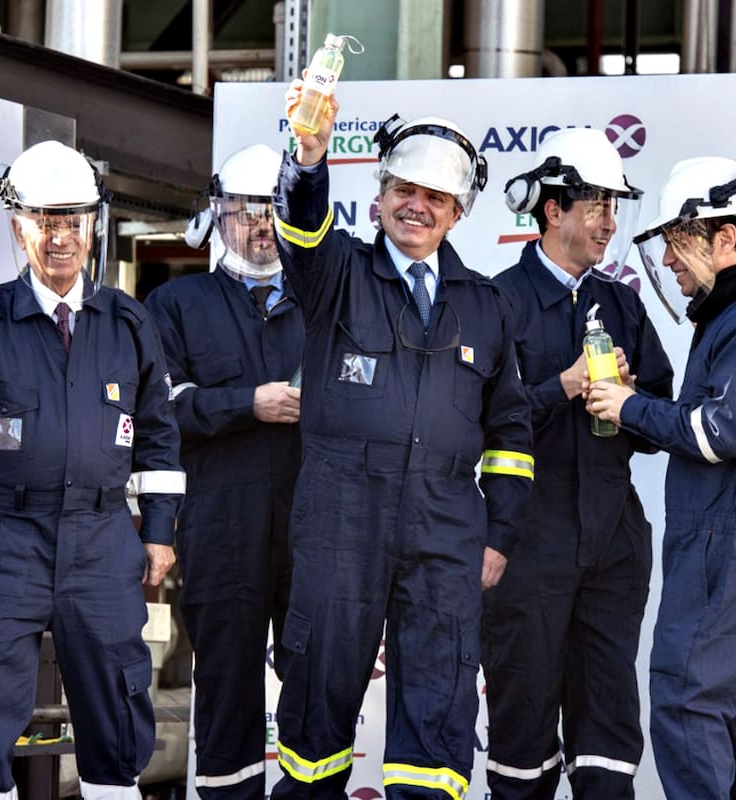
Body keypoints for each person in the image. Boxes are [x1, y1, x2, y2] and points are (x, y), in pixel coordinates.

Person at [269, 86, 534, 800]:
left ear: (457, 213)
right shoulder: (338, 273)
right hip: (341, 515)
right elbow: (302, 226)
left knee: (438, 710)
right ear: (381, 195)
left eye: (435, 198)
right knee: (319, 691)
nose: (417, 206)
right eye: (403, 190)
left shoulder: (486, 303)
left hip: (446, 525)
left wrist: (499, 533)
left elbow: (511, 432)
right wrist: (309, 157)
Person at [0, 139, 185, 800]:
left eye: (73, 221)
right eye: (45, 221)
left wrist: (162, 530)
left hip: (101, 539)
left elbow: (160, 437)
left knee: (118, 707)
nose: (61, 237)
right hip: (8, 537)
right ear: (15, 226)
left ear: (94, 225)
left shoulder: (128, 321)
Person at [588, 156, 736, 799]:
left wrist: (627, 407)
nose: (669, 265)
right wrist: (645, 406)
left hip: (728, 549)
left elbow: (721, 432)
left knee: (689, 700)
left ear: (721, 236)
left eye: (676, 245)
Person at [483, 128, 674, 800]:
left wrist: (629, 403)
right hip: (526, 546)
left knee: (608, 734)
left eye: (614, 207)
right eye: (596, 204)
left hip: (613, 546)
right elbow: (477, 425)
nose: (610, 222)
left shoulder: (621, 302)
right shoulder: (496, 302)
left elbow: (664, 415)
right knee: (522, 726)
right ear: (552, 209)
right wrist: (560, 388)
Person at [144, 143, 303, 800]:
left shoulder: (326, 306)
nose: (261, 226)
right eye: (246, 212)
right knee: (228, 697)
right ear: (218, 213)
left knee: (318, 692)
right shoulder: (178, 304)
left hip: (312, 528)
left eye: (274, 211)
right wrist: (248, 404)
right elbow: (159, 410)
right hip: (221, 531)